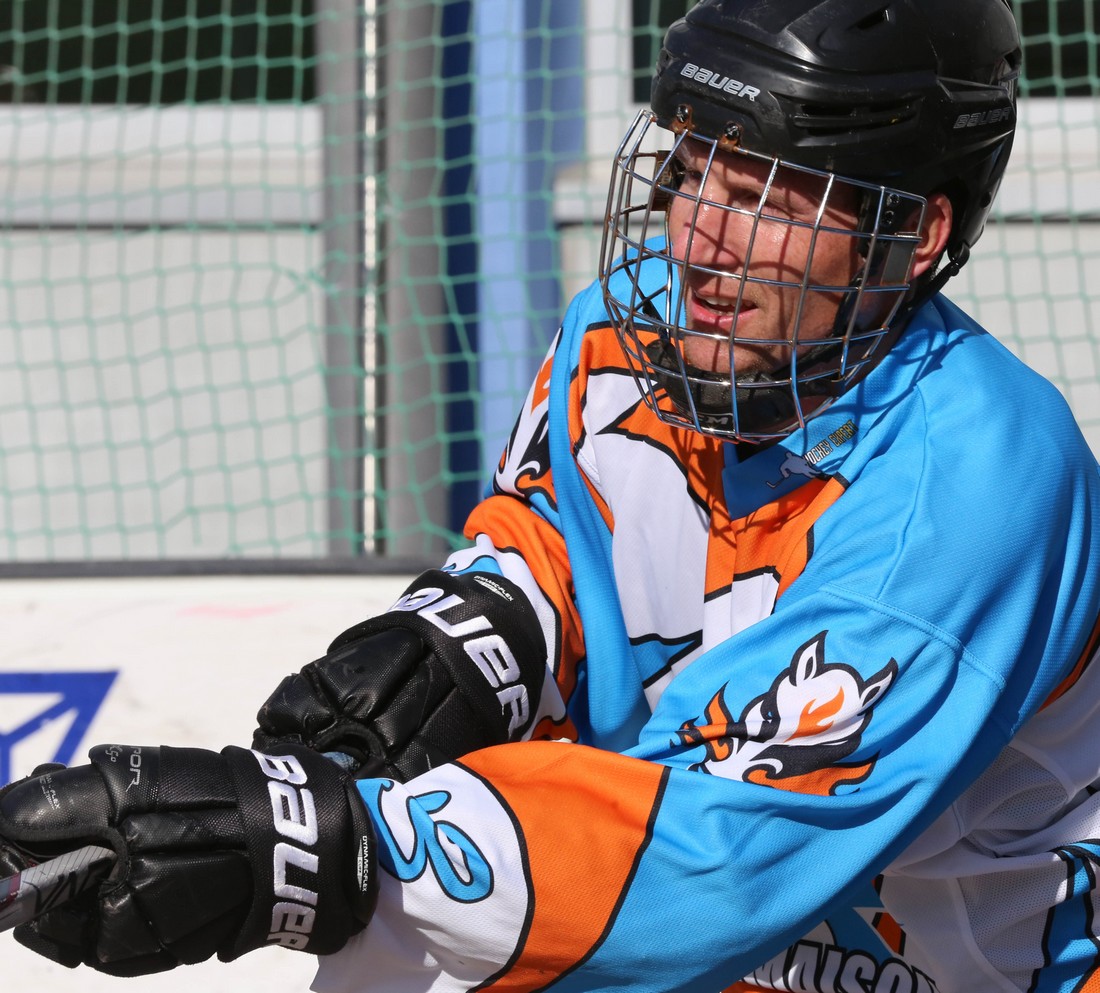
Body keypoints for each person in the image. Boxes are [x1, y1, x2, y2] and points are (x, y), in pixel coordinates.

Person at [3, 1, 1099, 991]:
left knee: (397, 898)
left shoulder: (976, 482)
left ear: (913, 234)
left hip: (961, 970)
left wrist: (317, 849)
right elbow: (547, 548)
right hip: (711, 946)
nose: (697, 241)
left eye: (763, 195)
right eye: (692, 171)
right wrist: (447, 655)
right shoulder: (629, 336)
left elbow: (718, 861)